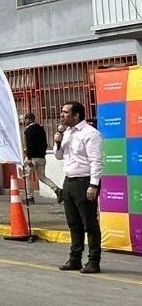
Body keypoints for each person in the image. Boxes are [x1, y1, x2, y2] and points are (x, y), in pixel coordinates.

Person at [53, 101, 104, 274]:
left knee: (89, 223)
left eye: (66, 112)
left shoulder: (90, 134)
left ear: (76, 115)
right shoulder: (66, 133)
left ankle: (93, 261)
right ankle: (74, 258)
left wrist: (93, 184)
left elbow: (96, 161)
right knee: (73, 223)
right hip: (69, 181)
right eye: (62, 111)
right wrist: (57, 142)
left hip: (85, 181)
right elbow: (59, 156)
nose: (62, 115)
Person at [23, 112, 61, 203]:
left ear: (29, 120)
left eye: (26, 119)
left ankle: (29, 197)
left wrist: (28, 158)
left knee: (27, 177)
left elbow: (29, 145)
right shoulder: (41, 129)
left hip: (32, 158)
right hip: (42, 158)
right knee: (42, 177)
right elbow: (45, 144)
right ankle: (56, 189)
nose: (25, 121)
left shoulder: (28, 130)